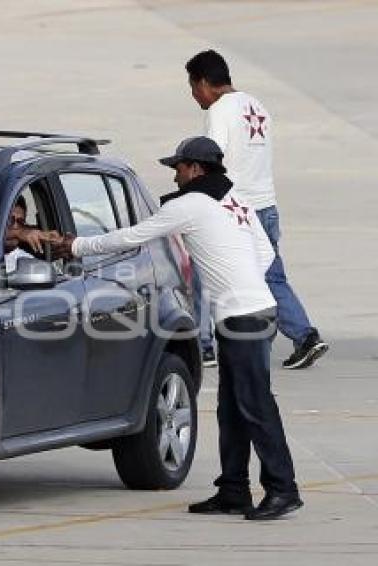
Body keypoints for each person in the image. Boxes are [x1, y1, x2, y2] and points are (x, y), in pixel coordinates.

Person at [51, 137, 303, 520]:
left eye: (180, 167)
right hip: (257, 311)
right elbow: (266, 254)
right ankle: (233, 490)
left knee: (254, 405)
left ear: (197, 169)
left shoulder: (190, 205)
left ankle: (283, 490)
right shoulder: (237, 200)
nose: (176, 174)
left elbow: (132, 236)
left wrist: (77, 246)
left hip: (243, 317)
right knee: (231, 408)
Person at [185, 49, 328, 370]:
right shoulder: (257, 106)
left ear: (206, 82)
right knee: (272, 276)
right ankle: (305, 336)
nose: (195, 96)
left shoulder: (220, 110)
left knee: (203, 269)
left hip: (235, 207)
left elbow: (211, 159)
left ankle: (202, 346)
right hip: (266, 205)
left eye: (194, 88)